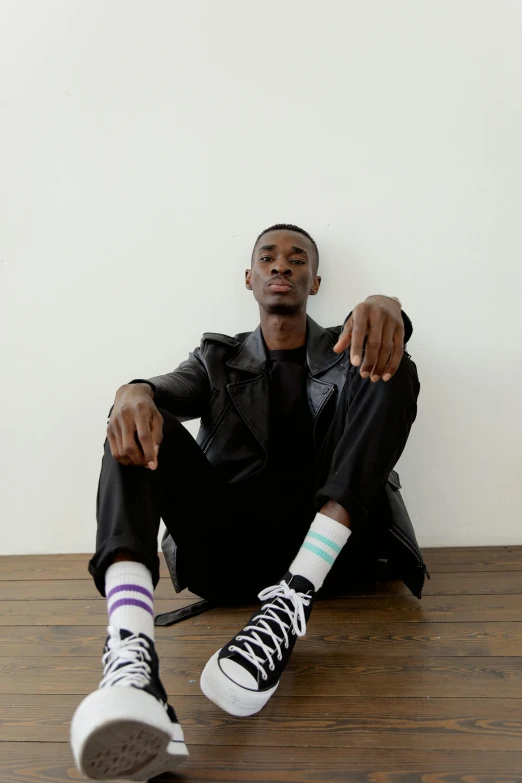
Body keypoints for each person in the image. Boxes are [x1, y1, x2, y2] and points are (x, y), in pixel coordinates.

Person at [71, 223, 425, 780]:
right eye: (268, 257)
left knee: (389, 363)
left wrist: (390, 307)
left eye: (297, 258)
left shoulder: (347, 350)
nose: (281, 265)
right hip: (228, 556)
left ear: (314, 279)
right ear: (250, 278)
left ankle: (290, 599)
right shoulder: (216, 360)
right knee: (137, 425)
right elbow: (160, 392)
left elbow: (384, 339)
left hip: (332, 558)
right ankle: (131, 663)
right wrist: (132, 391)